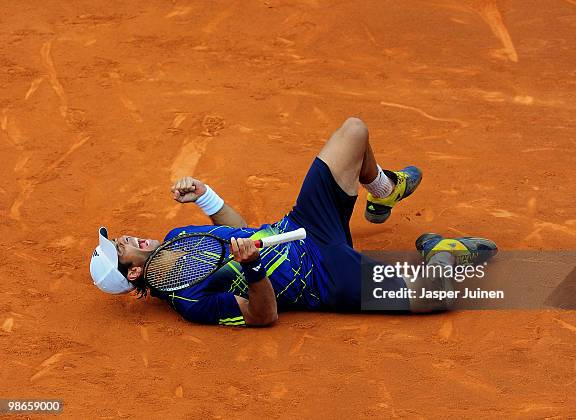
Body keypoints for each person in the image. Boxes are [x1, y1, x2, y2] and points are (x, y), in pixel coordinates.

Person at [90, 118, 497, 326]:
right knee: (435, 296)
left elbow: (241, 230)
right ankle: (441, 252)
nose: (125, 237)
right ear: (135, 270)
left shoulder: (178, 237)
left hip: (304, 224)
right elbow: (263, 316)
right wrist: (252, 268)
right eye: (119, 247)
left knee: (354, 131)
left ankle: (385, 189)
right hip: (324, 279)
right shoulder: (192, 303)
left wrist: (206, 196)